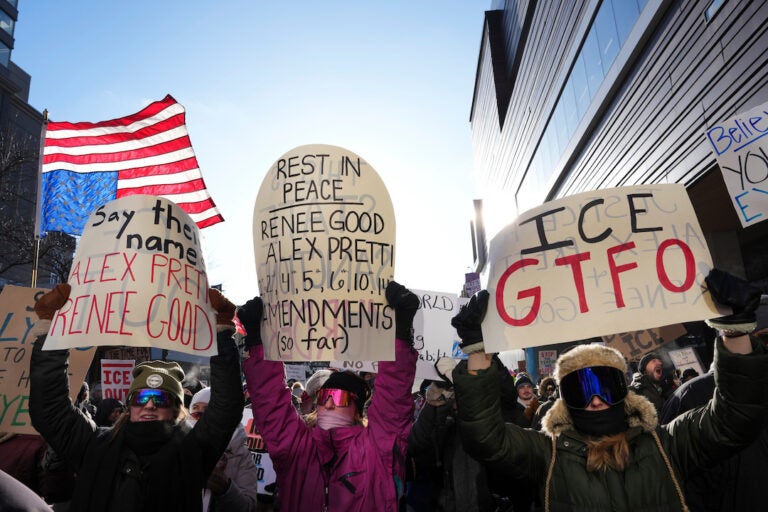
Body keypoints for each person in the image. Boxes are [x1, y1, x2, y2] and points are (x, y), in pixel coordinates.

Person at [451, 269, 768, 511]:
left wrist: (734, 330)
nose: (596, 399)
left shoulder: (667, 445)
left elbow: (733, 420)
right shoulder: (545, 455)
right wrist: (478, 351)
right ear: (564, 400)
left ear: (624, 390)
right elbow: (486, 439)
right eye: (581, 389)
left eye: (604, 385)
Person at [28, 284, 244, 512]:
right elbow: (50, 410)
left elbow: (226, 407)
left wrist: (221, 335)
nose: (149, 405)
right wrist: (50, 334)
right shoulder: (95, 444)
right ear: (129, 406)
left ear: (176, 410)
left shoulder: (193, 450)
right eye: (141, 398)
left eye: (161, 399)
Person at [239, 281, 419, 511]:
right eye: (325, 396)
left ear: (356, 409)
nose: (330, 404)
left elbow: (392, 398)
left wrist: (401, 332)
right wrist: (256, 341)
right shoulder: (297, 446)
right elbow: (271, 403)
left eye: (341, 398)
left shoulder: (375, 448)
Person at [188, 387, 259, 511]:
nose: (199, 415)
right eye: (195, 410)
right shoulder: (180, 447)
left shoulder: (240, 455)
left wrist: (225, 488)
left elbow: (248, 507)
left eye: (207, 410)